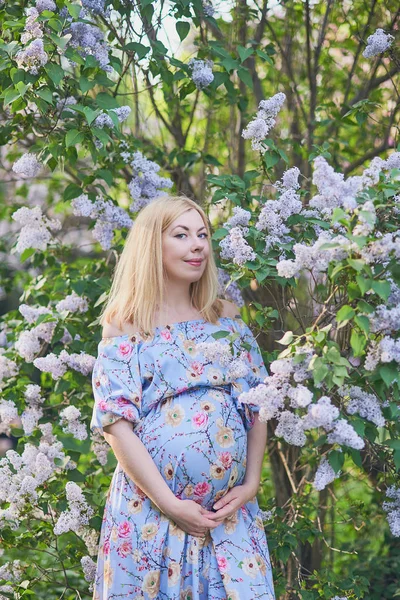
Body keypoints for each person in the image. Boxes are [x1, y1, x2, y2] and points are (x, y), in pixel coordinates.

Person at [90, 194, 276, 599]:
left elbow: (259, 404)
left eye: (203, 235)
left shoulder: (224, 318)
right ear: (152, 246)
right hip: (151, 517)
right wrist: (171, 504)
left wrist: (251, 483)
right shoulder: (125, 328)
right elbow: (116, 427)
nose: (197, 245)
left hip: (228, 517)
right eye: (182, 235)